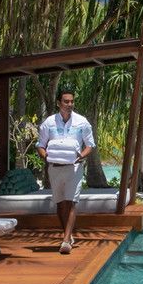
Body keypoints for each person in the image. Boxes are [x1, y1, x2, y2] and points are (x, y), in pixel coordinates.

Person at [37, 88, 95, 253]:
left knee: (70, 202)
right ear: (58, 103)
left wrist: (81, 156)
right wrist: (47, 156)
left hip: (74, 168)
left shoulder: (82, 122)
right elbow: (40, 145)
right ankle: (68, 235)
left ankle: (65, 242)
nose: (69, 104)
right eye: (66, 101)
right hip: (54, 169)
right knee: (60, 204)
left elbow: (90, 145)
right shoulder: (49, 122)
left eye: (71, 101)